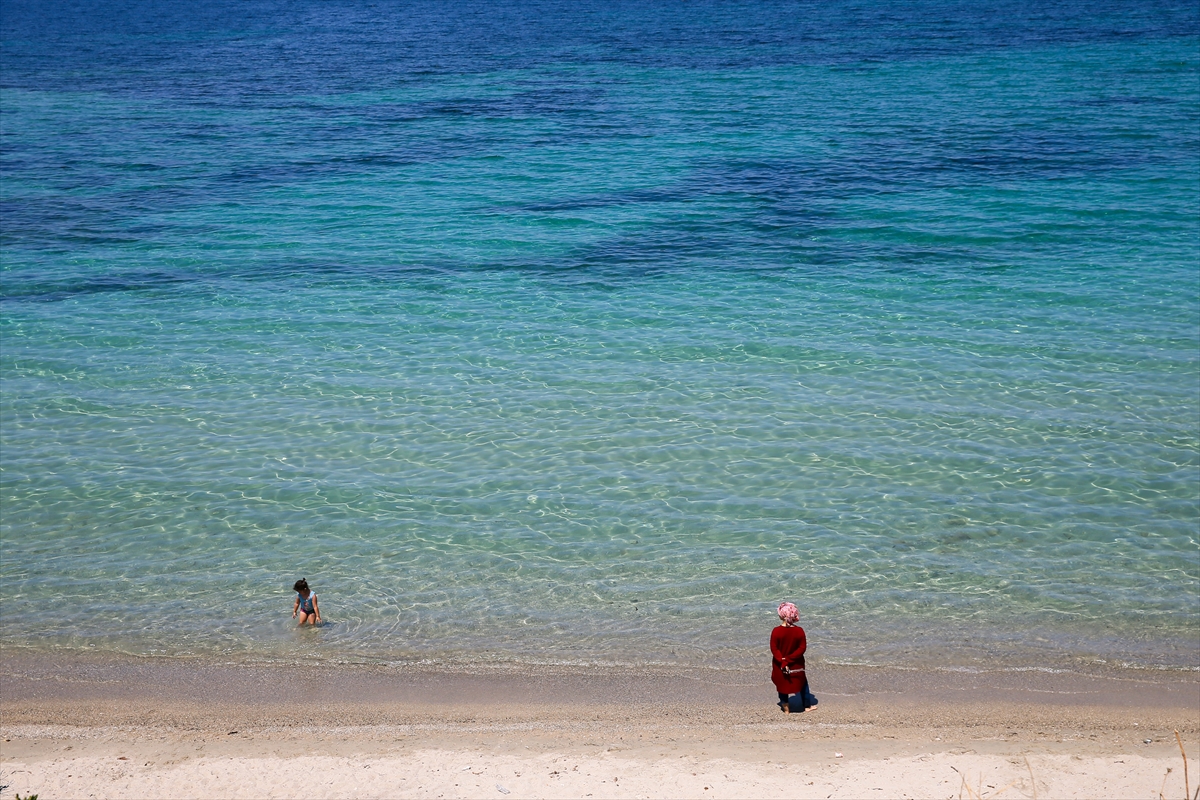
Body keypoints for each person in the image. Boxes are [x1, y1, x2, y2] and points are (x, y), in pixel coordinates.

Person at [771, 601, 816, 713]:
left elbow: (774, 649)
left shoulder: (776, 631)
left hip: (780, 663)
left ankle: (786, 708)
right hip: (796, 663)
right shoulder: (799, 631)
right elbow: (801, 649)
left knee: (782, 685)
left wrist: (783, 661)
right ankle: (807, 706)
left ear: (781, 615)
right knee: (802, 683)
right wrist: (789, 660)